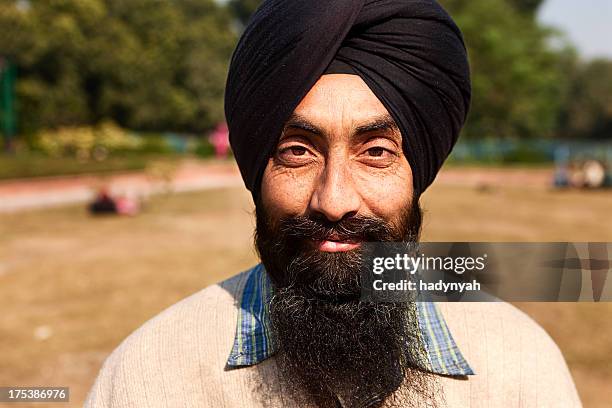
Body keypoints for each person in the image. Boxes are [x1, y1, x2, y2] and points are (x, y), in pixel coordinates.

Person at [85, 1, 581, 407]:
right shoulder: (147, 376)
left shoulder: (523, 369)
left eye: (376, 153)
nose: (334, 200)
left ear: (418, 174)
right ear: (258, 167)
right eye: (297, 151)